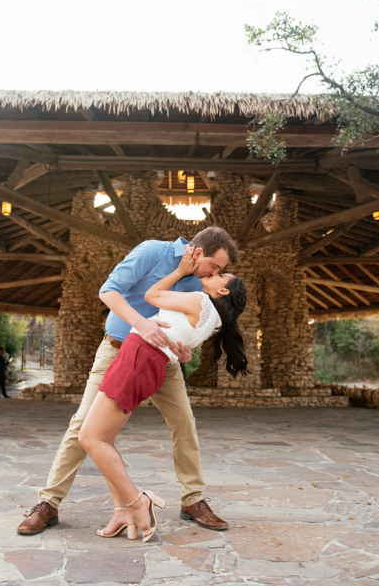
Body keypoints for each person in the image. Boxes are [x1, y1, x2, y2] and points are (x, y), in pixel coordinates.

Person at [18, 226, 240, 536]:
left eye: (219, 271)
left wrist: (185, 350)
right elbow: (108, 291)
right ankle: (49, 503)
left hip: (164, 362)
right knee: (82, 426)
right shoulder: (153, 251)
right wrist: (142, 324)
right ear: (199, 253)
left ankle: (192, 500)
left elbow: (185, 324)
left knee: (184, 423)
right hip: (117, 349)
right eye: (215, 267)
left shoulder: (202, 283)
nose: (215, 273)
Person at [79, 249, 247, 541]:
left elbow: (151, 295)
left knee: (89, 438)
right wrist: (183, 356)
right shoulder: (216, 322)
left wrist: (180, 271)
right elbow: (183, 348)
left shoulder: (199, 300)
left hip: (138, 356)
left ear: (222, 289)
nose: (211, 273)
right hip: (154, 363)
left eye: (219, 273)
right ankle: (122, 512)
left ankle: (136, 501)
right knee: (104, 439)